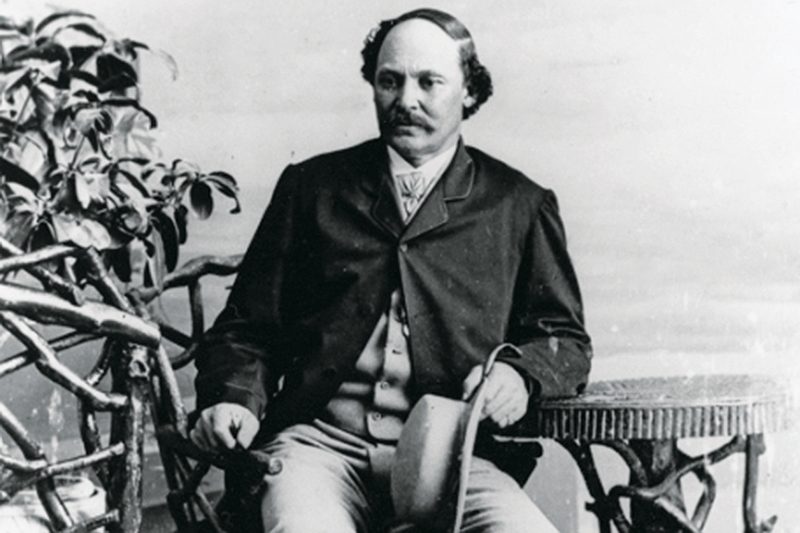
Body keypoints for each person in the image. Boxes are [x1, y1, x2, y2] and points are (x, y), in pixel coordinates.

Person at [190, 8, 592, 533]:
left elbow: (564, 339)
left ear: (469, 91)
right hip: (320, 450)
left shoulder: (519, 204)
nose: (406, 100)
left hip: (455, 460)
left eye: (429, 82)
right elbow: (246, 328)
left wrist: (521, 375)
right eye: (389, 81)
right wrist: (235, 400)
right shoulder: (312, 188)